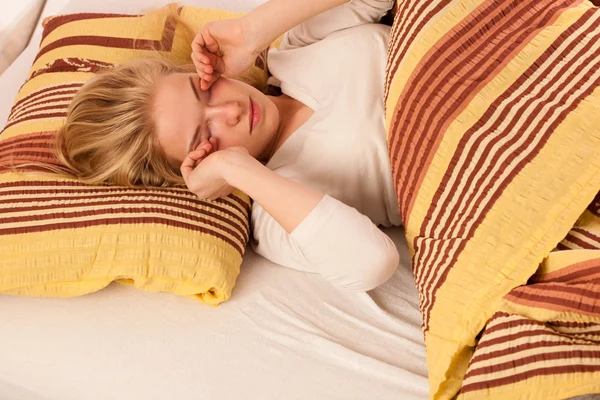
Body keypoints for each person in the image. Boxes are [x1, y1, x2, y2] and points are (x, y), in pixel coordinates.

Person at [54, 0, 401, 292]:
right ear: (194, 166)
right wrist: (237, 169)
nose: (231, 111)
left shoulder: (297, 48)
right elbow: (373, 262)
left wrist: (250, 31)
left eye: (204, 91)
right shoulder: (277, 210)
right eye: (205, 135)